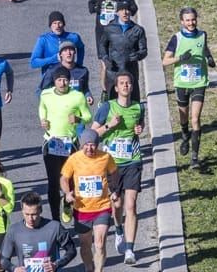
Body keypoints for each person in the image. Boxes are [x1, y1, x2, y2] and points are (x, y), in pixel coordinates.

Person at [91, 73, 146, 264]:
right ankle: (119, 229)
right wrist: (109, 125)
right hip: (111, 164)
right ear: (116, 88)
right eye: (122, 83)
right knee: (117, 204)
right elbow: (92, 133)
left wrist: (140, 129)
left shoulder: (138, 107)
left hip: (132, 161)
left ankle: (130, 250)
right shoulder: (107, 107)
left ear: (132, 87)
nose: (125, 86)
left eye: (128, 83)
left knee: (131, 204)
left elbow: (140, 126)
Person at [161, 7, 217, 171]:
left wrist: (209, 58)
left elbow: (204, 48)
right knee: (184, 118)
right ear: (182, 22)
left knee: (195, 119)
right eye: (187, 20)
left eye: (193, 19)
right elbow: (165, 61)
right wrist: (180, 58)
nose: (191, 23)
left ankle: (194, 158)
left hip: (199, 82)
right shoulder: (176, 38)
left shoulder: (202, 35)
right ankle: (185, 135)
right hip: (182, 83)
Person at [60, 130, 120, 272]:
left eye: (92, 145)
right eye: (86, 145)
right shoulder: (74, 159)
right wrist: (68, 193)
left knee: (99, 244)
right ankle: (88, 267)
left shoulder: (105, 157)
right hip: (82, 209)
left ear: (97, 145)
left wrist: (115, 189)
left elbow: (115, 172)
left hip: (102, 207)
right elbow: (64, 178)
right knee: (85, 244)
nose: (89, 148)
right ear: (82, 145)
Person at [39, 68, 93, 222]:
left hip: (70, 143)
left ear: (69, 81)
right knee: (53, 181)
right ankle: (55, 219)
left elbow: (88, 117)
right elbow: (42, 108)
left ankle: (68, 205)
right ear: (54, 81)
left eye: (65, 80)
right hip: (51, 142)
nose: (62, 83)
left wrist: (78, 119)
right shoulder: (46, 94)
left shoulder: (77, 96)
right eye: (59, 80)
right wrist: (43, 119)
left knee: (70, 180)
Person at [0, 192, 76, 272]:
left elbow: (71, 250)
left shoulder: (55, 227)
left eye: (34, 214)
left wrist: (56, 265)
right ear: (22, 210)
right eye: (27, 214)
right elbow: (3, 259)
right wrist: (14, 269)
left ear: (41, 210)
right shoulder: (14, 230)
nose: (30, 218)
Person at [87, 0, 135, 77]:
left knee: (120, 62)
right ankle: (105, 91)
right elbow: (90, 7)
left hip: (119, 33)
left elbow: (134, 8)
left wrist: (125, 8)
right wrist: (97, 8)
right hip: (102, 32)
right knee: (105, 63)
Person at [97, 1, 147, 102]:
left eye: (127, 10)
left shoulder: (138, 30)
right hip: (113, 71)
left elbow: (144, 51)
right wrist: (106, 59)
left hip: (130, 71)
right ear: (117, 12)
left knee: (133, 102)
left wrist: (136, 55)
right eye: (122, 10)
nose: (125, 12)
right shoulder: (109, 28)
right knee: (113, 103)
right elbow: (102, 46)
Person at [30, 11, 87, 77]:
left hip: (70, 76)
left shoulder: (73, 37)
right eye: (54, 23)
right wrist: (54, 58)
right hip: (50, 78)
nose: (57, 26)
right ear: (50, 26)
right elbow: (33, 63)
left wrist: (79, 64)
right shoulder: (43, 40)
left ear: (63, 24)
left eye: (60, 23)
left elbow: (81, 47)